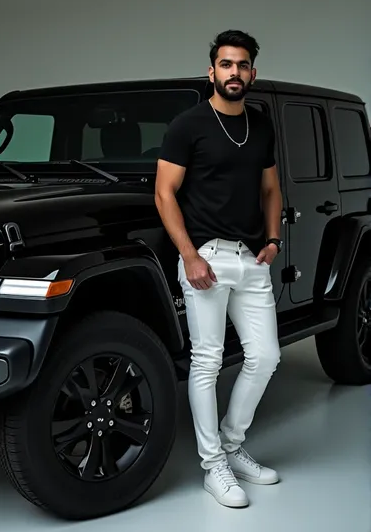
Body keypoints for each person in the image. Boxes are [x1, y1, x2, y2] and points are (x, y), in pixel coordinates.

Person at [155, 29, 283, 508]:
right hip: (205, 256)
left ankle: (232, 444)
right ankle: (214, 467)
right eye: (226, 64)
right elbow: (164, 192)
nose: (235, 72)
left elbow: (271, 189)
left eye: (243, 64)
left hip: (252, 257)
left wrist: (272, 239)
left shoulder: (261, 124)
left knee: (265, 356)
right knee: (208, 360)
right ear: (212, 71)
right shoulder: (188, 125)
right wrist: (188, 255)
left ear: (253, 72)